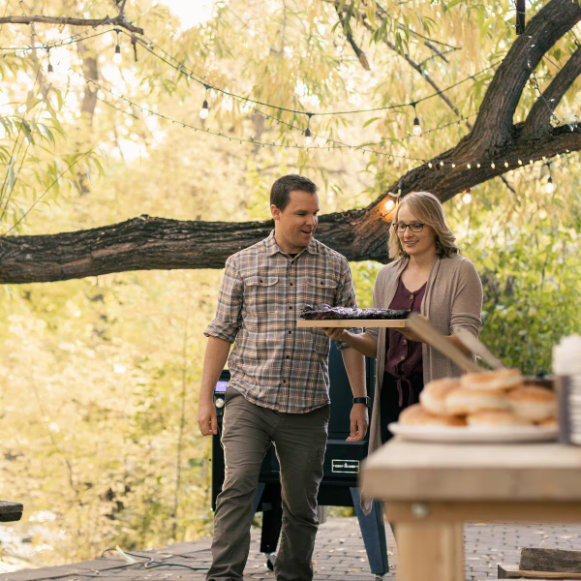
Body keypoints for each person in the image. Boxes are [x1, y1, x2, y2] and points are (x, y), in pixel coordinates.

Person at [198, 174, 369, 581]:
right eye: (301, 213)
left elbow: (351, 339)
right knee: (237, 487)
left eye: (315, 213)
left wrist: (360, 401)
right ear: (275, 212)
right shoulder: (241, 264)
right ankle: (223, 577)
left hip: (308, 406)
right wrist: (205, 399)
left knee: (301, 505)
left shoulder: (335, 266)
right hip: (249, 398)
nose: (311, 222)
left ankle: (293, 575)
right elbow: (221, 333)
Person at [324, 191, 483, 451]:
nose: (407, 234)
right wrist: (344, 335)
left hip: (442, 396)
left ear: (434, 226)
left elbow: (467, 341)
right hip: (391, 398)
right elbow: (376, 344)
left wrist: (425, 336)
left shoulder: (461, 271)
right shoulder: (386, 276)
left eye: (416, 225)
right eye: (400, 226)